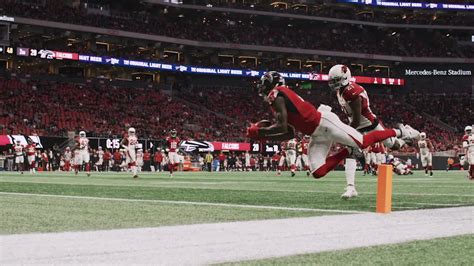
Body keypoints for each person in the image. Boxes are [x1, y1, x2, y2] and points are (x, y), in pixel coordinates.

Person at [246, 71, 420, 183]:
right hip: (315, 133)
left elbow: (282, 126)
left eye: (265, 82)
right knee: (317, 171)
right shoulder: (278, 97)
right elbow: (288, 133)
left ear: (273, 84)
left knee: (363, 141)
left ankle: (402, 131)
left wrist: (260, 132)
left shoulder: (276, 94)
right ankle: (348, 152)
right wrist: (264, 135)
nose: (263, 85)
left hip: (324, 122)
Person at [328, 64, 408, 198]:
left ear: (345, 78)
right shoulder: (341, 90)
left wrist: (345, 132)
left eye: (336, 80)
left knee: (393, 145)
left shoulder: (351, 91)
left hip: (371, 125)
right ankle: (351, 187)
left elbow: (357, 120)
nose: (333, 83)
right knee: (351, 152)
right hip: (358, 126)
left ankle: (405, 133)